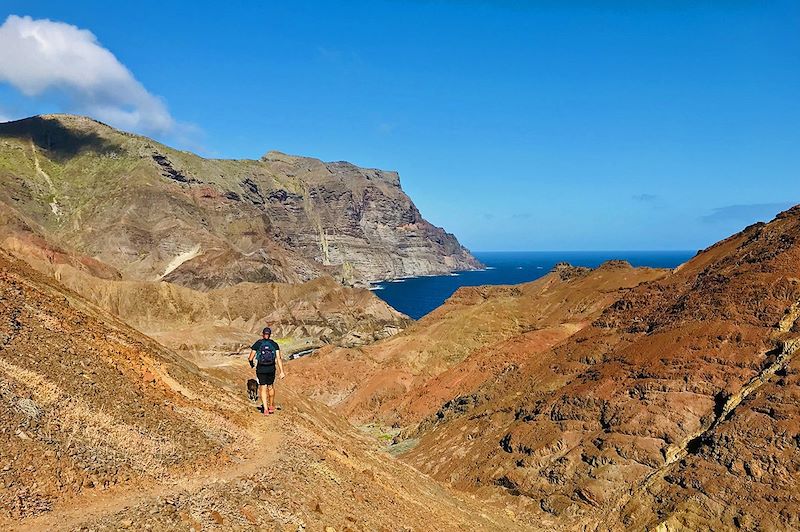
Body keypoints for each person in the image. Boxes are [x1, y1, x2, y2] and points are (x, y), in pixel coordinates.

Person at [248, 327, 285, 415]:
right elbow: (278, 358)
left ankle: (265, 409)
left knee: (263, 388)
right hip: (271, 369)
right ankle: (271, 406)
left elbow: (250, 358)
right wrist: (282, 371)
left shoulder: (258, 344)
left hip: (261, 369)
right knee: (270, 387)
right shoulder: (274, 344)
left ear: (263, 334)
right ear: (270, 334)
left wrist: (251, 364)